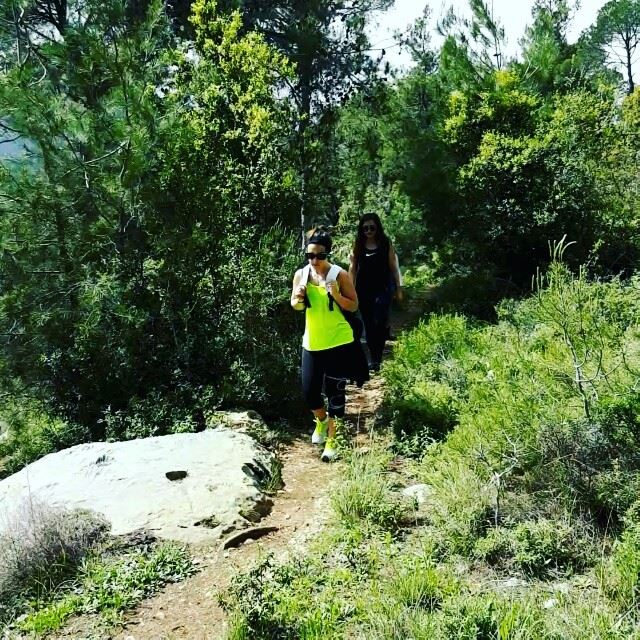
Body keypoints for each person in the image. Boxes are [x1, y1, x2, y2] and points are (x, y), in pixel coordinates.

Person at [291, 227, 360, 461]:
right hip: (311, 343)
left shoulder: (339, 275)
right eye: (310, 255)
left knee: (336, 395)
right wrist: (298, 298)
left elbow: (353, 305)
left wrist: (337, 296)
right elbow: (296, 306)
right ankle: (321, 421)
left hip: (338, 343)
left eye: (320, 255)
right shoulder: (301, 275)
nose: (315, 260)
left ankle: (332, 442)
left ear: (327, 254)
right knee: (310, 393)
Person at [349, 213, 403, 372]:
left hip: (384, 288)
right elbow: (352, 269)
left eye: (372, 227)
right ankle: (374, 359)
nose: (369, 231)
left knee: (379, 319)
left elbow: (394, 267)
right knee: (369, 326)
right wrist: (349, 289)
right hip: (364, 289)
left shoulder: (385, 243)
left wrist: (399, 288)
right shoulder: (358, 244)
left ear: (377, 227)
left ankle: (378, 353)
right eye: (365, 228)